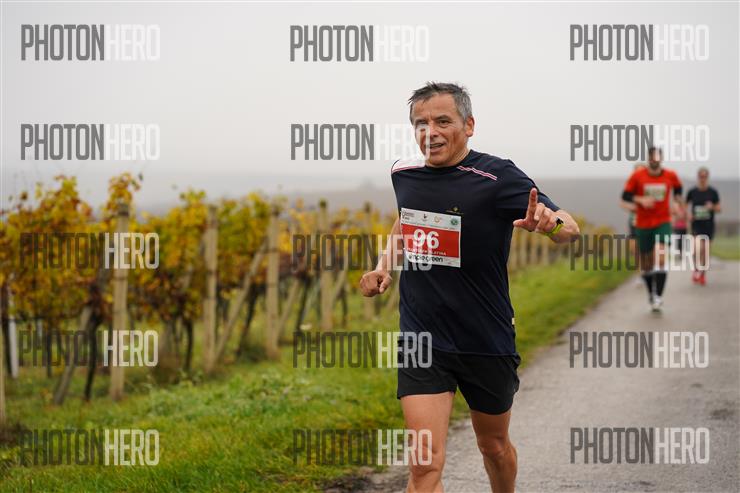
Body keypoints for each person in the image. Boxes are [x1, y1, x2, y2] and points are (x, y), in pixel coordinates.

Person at [359, 82, 579, 493]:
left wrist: (552, 226)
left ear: (469, 125)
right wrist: (383, 266)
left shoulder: (497, 177)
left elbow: (569, 228)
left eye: (443, 121)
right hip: (423, 337)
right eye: (421, 123)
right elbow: (405, 220)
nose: (430, 132)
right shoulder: (403, 172)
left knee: (493, 446)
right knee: (425, 463)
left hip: (485, 337)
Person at [620, 147, 683, 312]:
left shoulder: (671, 175)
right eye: (652, 157)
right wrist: (640, 199)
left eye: (657, 157)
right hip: (643, 224)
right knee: (646, 264)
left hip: (663, 221)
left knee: (660, 256)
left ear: (661, 158)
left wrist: (677, 203)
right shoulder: (637, 176)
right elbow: (625, 196)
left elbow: (678, 189)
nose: (654, 160)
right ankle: (651, 293)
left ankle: (659, 296)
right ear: (649, 159)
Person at [686, 167, 721, 285]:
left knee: (706, 251)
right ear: (698, 177)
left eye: (705, 176)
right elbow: (685, 206)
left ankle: (702, 275)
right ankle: (696, 269)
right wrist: (688, 214)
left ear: (707, 177)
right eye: (701, 176)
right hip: (696, 225)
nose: (703, 179)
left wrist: (712, 207)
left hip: (708, 226)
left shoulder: (713, 192)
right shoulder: (692, 192)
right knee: (697, 249)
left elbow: (719, 208)